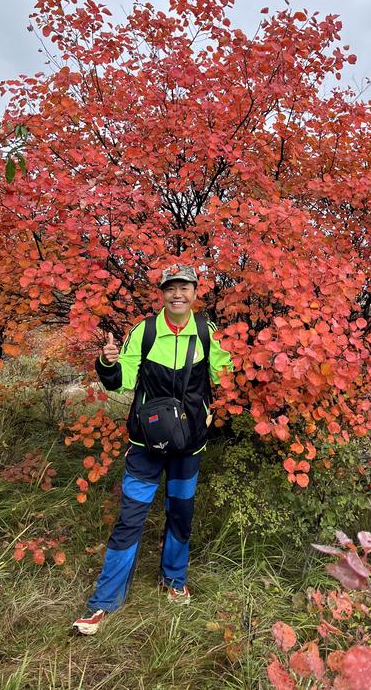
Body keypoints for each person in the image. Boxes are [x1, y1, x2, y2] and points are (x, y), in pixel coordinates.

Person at [72, 264, 233, 635]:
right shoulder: (144, 332)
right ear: (162, 294)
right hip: (145, 446)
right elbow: (121, 382)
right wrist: (108, 364)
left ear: (195, 293)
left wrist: (213, 412)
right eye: (170, 288)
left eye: (185, 288)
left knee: (181, 515)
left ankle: (173, 581)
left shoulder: (208, 334)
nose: (178, 294)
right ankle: (103, 603)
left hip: (188, 448)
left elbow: (226, 375)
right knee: (130, 518)